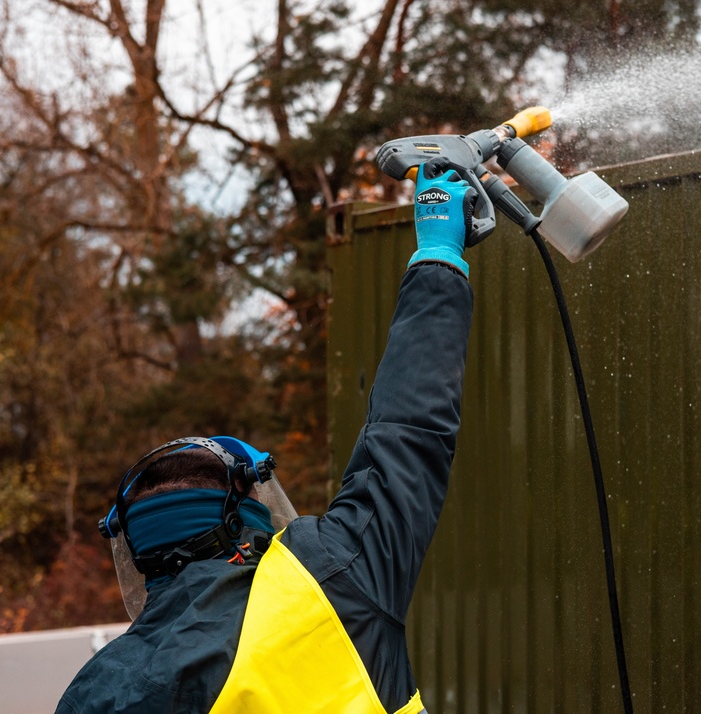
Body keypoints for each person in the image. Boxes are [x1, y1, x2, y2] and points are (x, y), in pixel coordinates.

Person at [56, 163, 478, 714]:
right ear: (246, 526)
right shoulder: (331, 581)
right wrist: (439, 252)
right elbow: (408, 430)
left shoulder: (97, 692)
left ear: (137, 556)